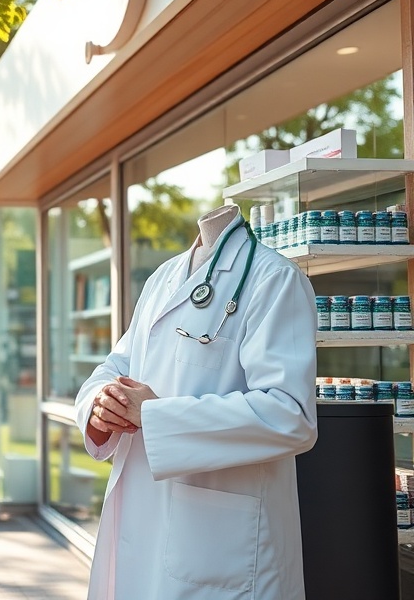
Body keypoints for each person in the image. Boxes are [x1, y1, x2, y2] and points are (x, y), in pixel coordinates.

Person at [74, 203, 318, 600]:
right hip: (145, 517)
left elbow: (291, 414)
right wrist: (102, 404)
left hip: (219, 540)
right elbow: (117, 365)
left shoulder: (272, 279)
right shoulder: (164, 277)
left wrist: (152, 415)